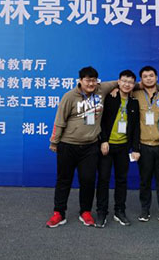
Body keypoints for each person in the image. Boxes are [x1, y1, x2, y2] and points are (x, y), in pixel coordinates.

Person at [46, 66, 119, 228]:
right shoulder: (70, 96)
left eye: (94, 80)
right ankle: (59, 213)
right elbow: (59, 120)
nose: (91, 84)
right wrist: (54, 142)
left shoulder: (101, 89)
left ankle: (85, 211)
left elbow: (123, 82)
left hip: (90, 147)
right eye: (87, 80)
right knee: (64, 180)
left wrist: (118, 89)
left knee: (88, 180)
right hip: (68, 145)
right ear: (80, 80)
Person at [130, 66, 159, 227]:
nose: (148, 78)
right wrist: (116, 90)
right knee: (145, 181)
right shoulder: (135, 93)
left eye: (151, 76)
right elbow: (121, 87)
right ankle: (145, 210)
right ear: (141, 79)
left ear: (156, 77)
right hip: (144, 146)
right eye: (145, 76)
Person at [94, 69, 140, 228]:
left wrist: (135, 148)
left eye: (130, 82)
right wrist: (103, 140)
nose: (127, 84)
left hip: (123, 147)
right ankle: (101, 212)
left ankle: (120, 211)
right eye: (124, 81)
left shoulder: (134, 102)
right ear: (118, 82)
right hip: (107, 146)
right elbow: (101, 120)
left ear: (134, 85)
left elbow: (136, 128)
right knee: (103, 179)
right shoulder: (110, 98)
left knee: (121, 180)